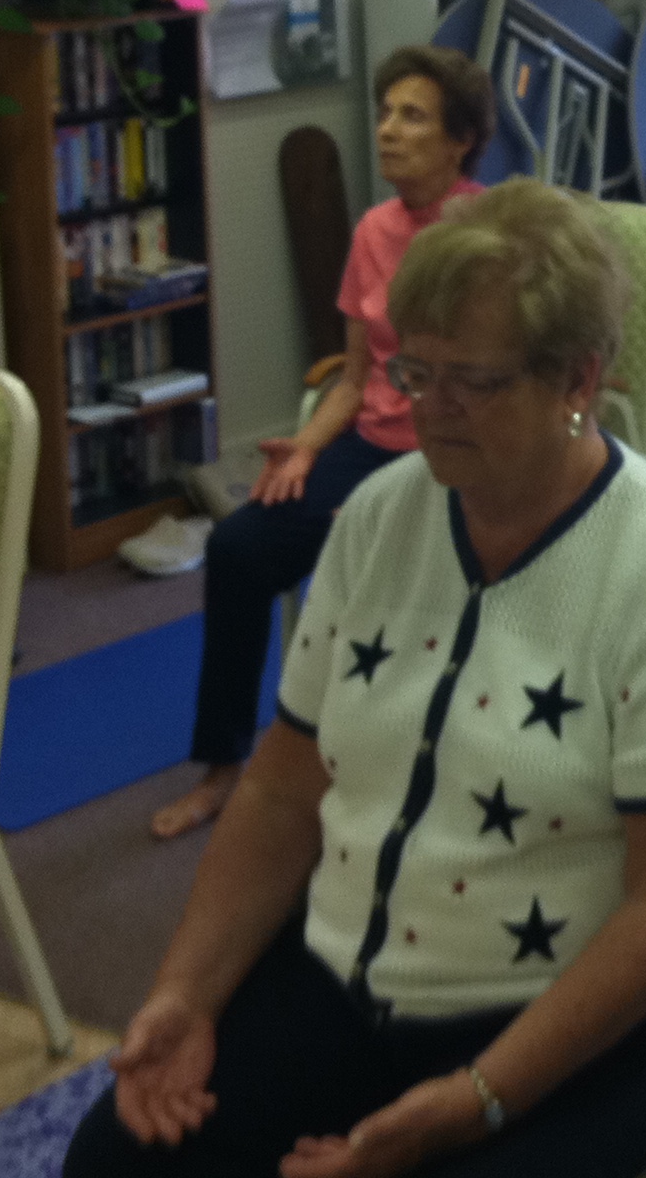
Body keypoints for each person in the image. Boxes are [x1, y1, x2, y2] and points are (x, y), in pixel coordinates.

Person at [68, 180, 646, 1178]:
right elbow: (281, 789)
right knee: (117, 1162)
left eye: (472, 382)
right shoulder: (380, 516)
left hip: (584, 1011)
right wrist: (187, 991)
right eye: (414, 371)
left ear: (577, 378)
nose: (425, 410)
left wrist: (480, 1099)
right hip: (355, 974)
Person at [153, 46, 495, 839]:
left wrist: (385, 504)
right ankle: (223, 767)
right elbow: (353, 376)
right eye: (385, 113)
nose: (388, 130)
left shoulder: (487, 233)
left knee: (382, 565)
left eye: (413, 117)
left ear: (461, 142)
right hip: (370, 447)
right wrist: (305, 448)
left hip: (456, 455)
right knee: (239, 549)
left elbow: (490, 378)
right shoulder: (373, 230)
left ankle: (397, 770)